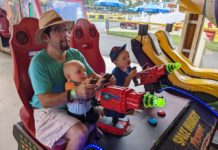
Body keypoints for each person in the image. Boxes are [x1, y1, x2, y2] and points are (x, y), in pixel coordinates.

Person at [29, 10, 115, 150]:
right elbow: (44, 101)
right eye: (58, 30)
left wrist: (106, 79)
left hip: (73, 105)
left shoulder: (75, 54)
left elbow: (93, 77)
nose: (66, 34)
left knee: (101, 113)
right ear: (46, 37)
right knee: (80, 132)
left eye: (66, 29)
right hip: (48, 110)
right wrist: (75, 93)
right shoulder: (39, 63)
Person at [101, 44, 137, 130]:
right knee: (117, 112)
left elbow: (133, 75)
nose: (128, 60)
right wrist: (129, 77)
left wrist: (137, 75)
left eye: (128, 56)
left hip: (123, 95)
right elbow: (121, 90)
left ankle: (118, 120)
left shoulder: (127, 68)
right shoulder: (116, 73)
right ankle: (114, 121)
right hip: (115, 98)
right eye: (124, 58)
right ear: (116, 62)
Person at [63, 60, 99, 124]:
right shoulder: (69, 84)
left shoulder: (86, 81)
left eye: (84, 71)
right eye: (79, 72)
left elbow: (96, 86)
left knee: (95, 117)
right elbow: (73, 93)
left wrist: (98, 82)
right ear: (69, 77)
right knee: (80, 124)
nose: (84, 73)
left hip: (88, 109)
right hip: (76, 113)